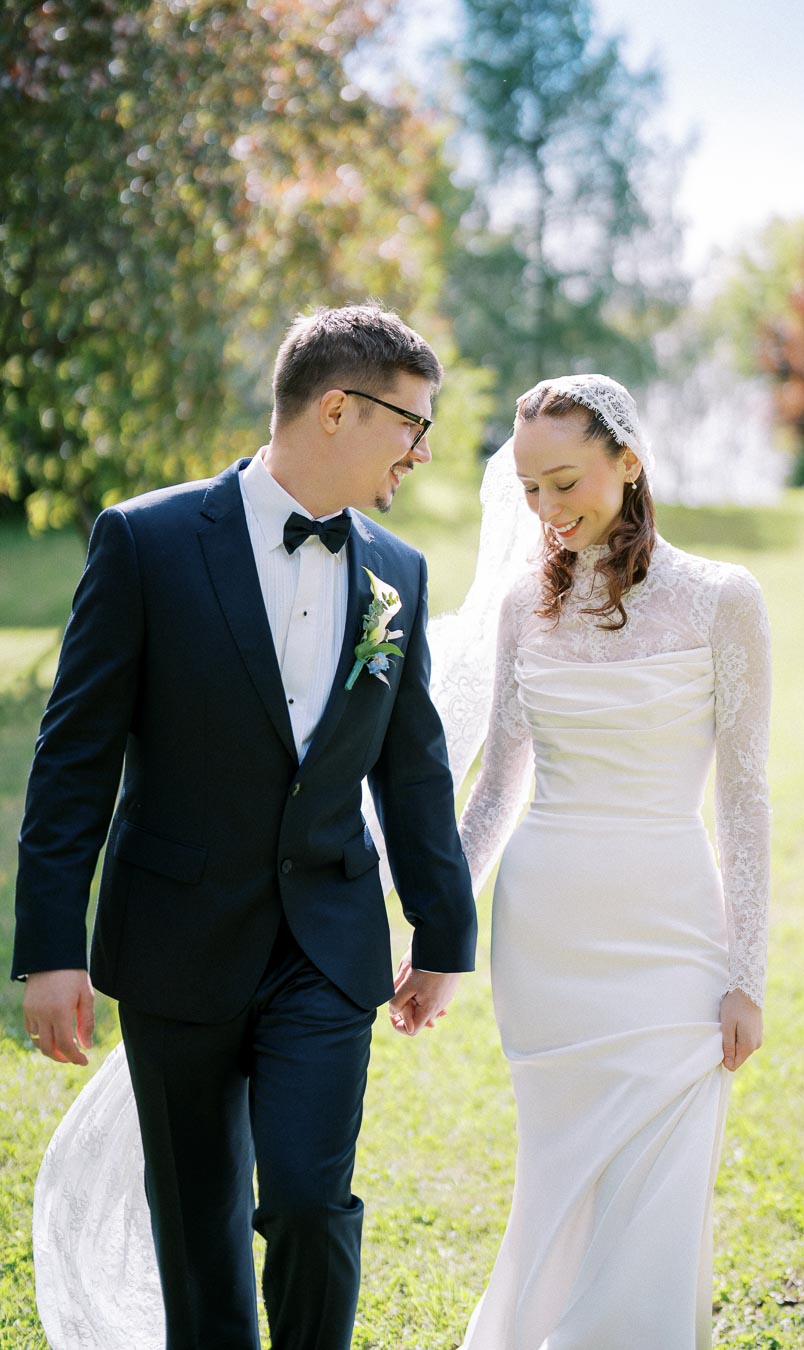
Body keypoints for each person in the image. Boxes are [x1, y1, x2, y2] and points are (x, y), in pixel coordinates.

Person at [13, 302, 477, 1350]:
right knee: (200, 1224)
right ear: (334, 410)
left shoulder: (397, 573)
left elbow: (415, 769)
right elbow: (75, 757)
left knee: (312, 1202)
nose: (420, 450)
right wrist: (50, 947)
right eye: (412, 423)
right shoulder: (147, 540)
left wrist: (442, 933)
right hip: (178, 935)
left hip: (327, 941)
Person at [456, 374, 771, 1349]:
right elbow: (499, 786)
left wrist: (745, 975)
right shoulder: (520, 605)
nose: (548, 512)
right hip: (548, 934)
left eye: (565, 482)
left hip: (673, 929)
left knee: (663, 1190)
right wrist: (441, 930)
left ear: (627, 465)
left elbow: (746, 795)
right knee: (565, 1171)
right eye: (530, 491)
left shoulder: (722, 601)